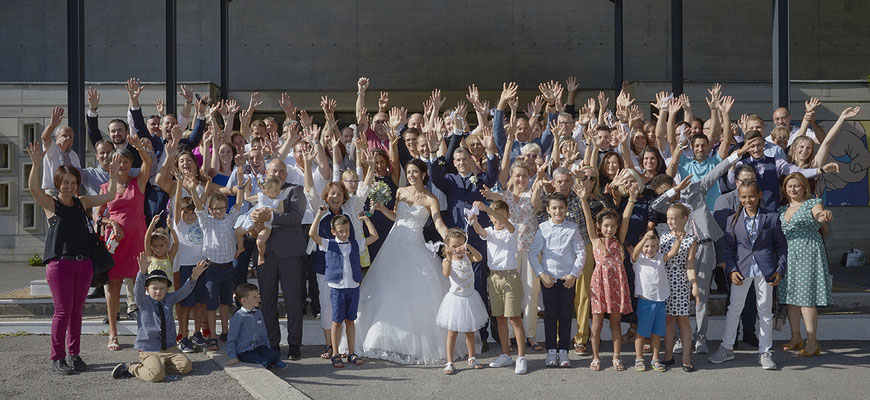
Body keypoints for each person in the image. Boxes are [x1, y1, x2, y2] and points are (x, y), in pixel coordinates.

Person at [26, 142, 118, 374]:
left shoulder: (82, 202)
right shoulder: (51, 205)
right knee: (62, 312)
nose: (69, 186)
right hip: (60, 265)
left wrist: (114, 175)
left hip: (84, 264)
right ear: (58, 183)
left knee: (77, 312)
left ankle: (74, 355)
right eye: (65, 182)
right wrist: (37, 163)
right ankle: (57, 358)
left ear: (78, 185)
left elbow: (109, 194)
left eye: (73, 182)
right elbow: (34, 189)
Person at [353, 159, 453, 365]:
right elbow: (396, 217)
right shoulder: (400, 192)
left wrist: (451, 241)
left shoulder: (431, 199)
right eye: (409, 172)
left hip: (415, 246)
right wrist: (381, 209)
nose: (412, 175)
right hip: (393, 243)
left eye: (415, 172)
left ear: (424, 174)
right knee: (386, 290)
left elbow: (439, 224)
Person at [709, 182, 787, 370]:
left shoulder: (772, 218)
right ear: (739, 198)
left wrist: (780, 269)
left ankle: (765, 352)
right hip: (741, 270)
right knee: (734, 309)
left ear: (759, 195)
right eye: (744, 197)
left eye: (751, 196)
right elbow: (729, 248)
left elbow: (781, 246)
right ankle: (727, 348)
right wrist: (732, 269)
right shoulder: (732, 220)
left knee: (765, 311)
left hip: (765, 270)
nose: (748, 200)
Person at [111, 255, 207, 382]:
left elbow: (184, 292)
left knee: (186, 367)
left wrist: (194, 277)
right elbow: (137, 289)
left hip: (169, 348)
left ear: (167, 289)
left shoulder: (169, 299)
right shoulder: (143, 301)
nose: (158, 291)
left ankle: (159, 365)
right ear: (147, 288)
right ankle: (132, 368)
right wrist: (142, 272)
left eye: (162, 288)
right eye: (154, 288)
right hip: (149, 349)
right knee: (156, 376)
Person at [97, 136, 151, 351]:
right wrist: (111, 221)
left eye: (126, 160)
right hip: (115, 242)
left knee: (141, 285)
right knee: (113, 286)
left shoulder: (138, 182)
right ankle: (113, 332)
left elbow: (148, 164)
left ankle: (146, 330)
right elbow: (96, 218)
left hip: (138, 238)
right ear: (111, 164)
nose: (122, 164)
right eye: (118, 160)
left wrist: (138, 147)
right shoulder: (104, 188)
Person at [250, 159, 308, 360]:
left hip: (289, 253)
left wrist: (270, 218)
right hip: (266, 252)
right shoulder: (260, 193)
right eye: (275, 170)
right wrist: (254, 226)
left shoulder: (295, 190)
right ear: (267, 172)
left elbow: (296, 216)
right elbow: (252, 219)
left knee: (293, 300)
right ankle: (272, 343)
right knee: (267, 301)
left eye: (283, 171)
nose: (280, 173)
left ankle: (294, 344)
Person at [309, 210, 379, 368]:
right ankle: (335, 353)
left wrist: (366, 221)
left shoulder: (355, 243)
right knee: (337, 321)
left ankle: (351, 352)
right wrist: (319, 216)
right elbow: (312, 234)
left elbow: (374, 237)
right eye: (341, 231)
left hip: (353, 287)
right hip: (337, 288)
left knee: (351, 321)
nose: (344, 234)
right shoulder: (329, 244)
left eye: (347, 230)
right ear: (333, 231)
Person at [579, 183, 634, 372]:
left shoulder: (619, 242)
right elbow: (587, 217)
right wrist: (583, 200)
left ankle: (616, 357)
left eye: (612, 226)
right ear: (599, 227)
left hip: (617, 284)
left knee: (615, 323)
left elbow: (625, 217)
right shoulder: (595, 240)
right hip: (599, 285)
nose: (609, 229)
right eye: (606, 226)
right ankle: (595, 357)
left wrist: (632, 198)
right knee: (596, 323)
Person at [778, 173, 834, 357]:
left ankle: (813, 342)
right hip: (789, 256)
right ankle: (796, 337)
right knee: (791, 299)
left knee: (806, 300)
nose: (793, 189)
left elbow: (819, 216)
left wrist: (823, 215)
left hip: (808, 254)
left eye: (796, 186)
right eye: (789, 186)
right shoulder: (782, 209)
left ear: (804, 187)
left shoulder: (812, 203)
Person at [469, 200, 528, 374]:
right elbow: (479, 230)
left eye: (502, 215)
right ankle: (505, 354)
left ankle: (521, 357)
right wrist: (474, 219)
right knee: (500, 317)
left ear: (508, 215)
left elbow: (508, 226)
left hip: (510, 277)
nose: (498, 219)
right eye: (494, 216)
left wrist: (487, 208)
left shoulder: (513, 229)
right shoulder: (489, 231)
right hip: (494, 277)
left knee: (514, 318)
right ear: (490, 218)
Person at [528, 193, 585, 369]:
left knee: (566, 315)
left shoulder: (573, 228)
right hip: (549, 279)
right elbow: (532, 253)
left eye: (561, 207)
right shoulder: (543, 228)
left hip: (567, 279)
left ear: (566, 209)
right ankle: (551, 350)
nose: (558, 211)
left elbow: (581, 252)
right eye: (554, 208)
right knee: (551, 315)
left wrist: (574, 274)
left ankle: (564, 352)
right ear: (548, 210)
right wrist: (542, 274)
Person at [189, 180, 245, 352]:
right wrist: (192, 189)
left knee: (226, 303)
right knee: (212, 304)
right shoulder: (207, 222)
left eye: (222, 208)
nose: (220, 211)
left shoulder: (229, 220)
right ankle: (212, 335)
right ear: (210, 209)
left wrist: (241, 186)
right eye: (216, 208)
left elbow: (239, 203)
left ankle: (225, 332)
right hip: (211, 269)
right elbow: (199, 207)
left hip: (228, 268)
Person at [437, 229, 490, 375]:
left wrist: (469, 247)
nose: (457, 248)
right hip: (456, 300)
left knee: (470, 331)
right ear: (447, 246)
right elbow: (446, 273)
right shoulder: (447, 261)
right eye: (454, 246)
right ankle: (449, 361)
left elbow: (479, 258)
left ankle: (472, 357)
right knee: (452, 332)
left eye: (460, 244)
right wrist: (448, 257)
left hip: (470, 298)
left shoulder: (467, 256)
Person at [630, 231, 680, 372]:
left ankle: (655, 358)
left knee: (657, 333)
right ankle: (639, 358)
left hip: (660, 302)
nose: (649, 249)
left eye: (653, 246)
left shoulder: (659, 258)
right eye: (646, 246)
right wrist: (644, 238)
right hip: (646, 302)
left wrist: (678, 239)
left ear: (657, 247)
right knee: (642, 332)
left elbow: (672, 253)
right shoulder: (638, 259)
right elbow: (635, 253)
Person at [658, 204, 699, 372]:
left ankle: (687, 358)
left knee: (683, 321)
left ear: (684, 219)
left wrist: (694, 285)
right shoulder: (663, 238)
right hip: (664, 282)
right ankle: (668, 355)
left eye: (673, 218)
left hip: (681, 284)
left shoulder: (691, 240)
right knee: (668, 320)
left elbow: (690, 265)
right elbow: (660, 261)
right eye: (668, 218)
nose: (670, 221)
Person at [170, 182, 206, 353]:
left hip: (201, 266)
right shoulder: (179, 223)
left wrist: (197, 187)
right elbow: (177, 204)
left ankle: (197, 333)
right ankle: (183, 336)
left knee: (199, 303)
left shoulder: (200, 220)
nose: (191, 216)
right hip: (185, 268)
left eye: (193, 212)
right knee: (185, 305)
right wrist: (179, 184)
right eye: (187, 212)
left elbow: (202, 202)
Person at [224, 283, 287, 369]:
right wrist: (233, 356)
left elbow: (263, 334)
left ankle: (273, 360)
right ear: (244, 301)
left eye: (258, 296)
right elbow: (231, 338)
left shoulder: (258, 313)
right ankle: (270, 362)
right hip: (245, 351)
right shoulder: (238, 317)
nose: (258, 299)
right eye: (255, 297)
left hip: (259, 347)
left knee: (275, 354)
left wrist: (268, 349)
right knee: (266, 362)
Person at [234, 176, 286, 265]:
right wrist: (246, 188)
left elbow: (281, 211)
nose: (279, 191)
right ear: (267, 190)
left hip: (266, 224)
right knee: (238, 232)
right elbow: (247, 198)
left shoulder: (279, 200)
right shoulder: (261, 196)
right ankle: (240, 247)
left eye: (279, 189)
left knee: (260, 241)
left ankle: (261, 255)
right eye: (275, 190)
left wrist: (269, 209)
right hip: (253, 220)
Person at [40, 106, 82, 196]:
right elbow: (44, 137)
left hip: (71, 192)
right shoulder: (52, 148)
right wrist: (52, 125)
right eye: (64, 135)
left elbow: (78, 176)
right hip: (54, 191)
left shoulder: (73, 154)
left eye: (71, 137)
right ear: (56, 137)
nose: (68, 139)